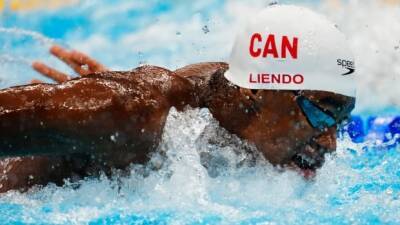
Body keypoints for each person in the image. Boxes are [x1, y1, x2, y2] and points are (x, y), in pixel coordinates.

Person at [0, 5, 355, 192]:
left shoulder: (227, 103)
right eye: (321, 113)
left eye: (340, 122)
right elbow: (142, 105)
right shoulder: (134, 111)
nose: (330, 142)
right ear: (258, 90)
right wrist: (103, 111)